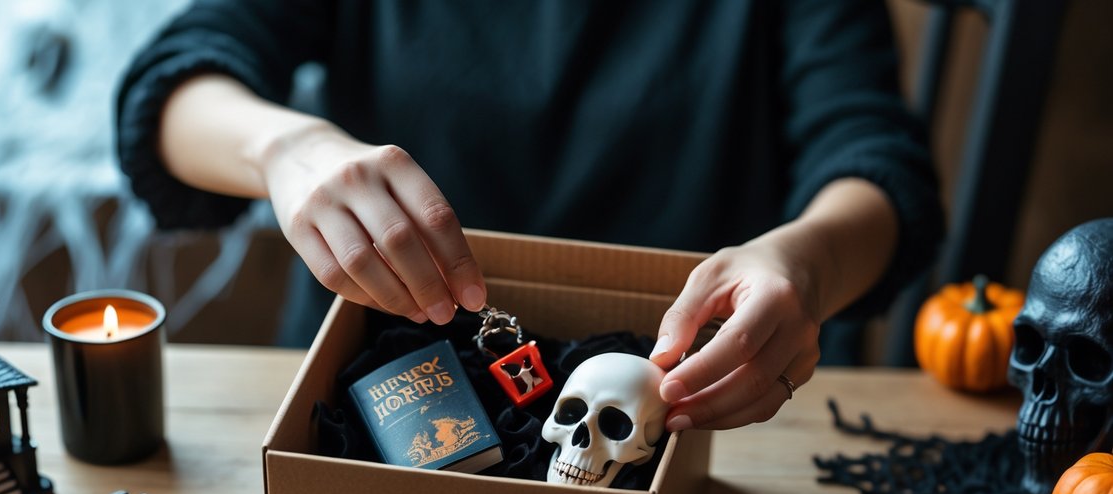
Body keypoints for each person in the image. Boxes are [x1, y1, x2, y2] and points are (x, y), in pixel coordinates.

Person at [116, 1, 942, 432]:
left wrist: (804, 261)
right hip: (361, 384)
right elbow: (173, 92)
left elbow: (875, 164)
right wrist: (284, 147)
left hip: (683, 404)